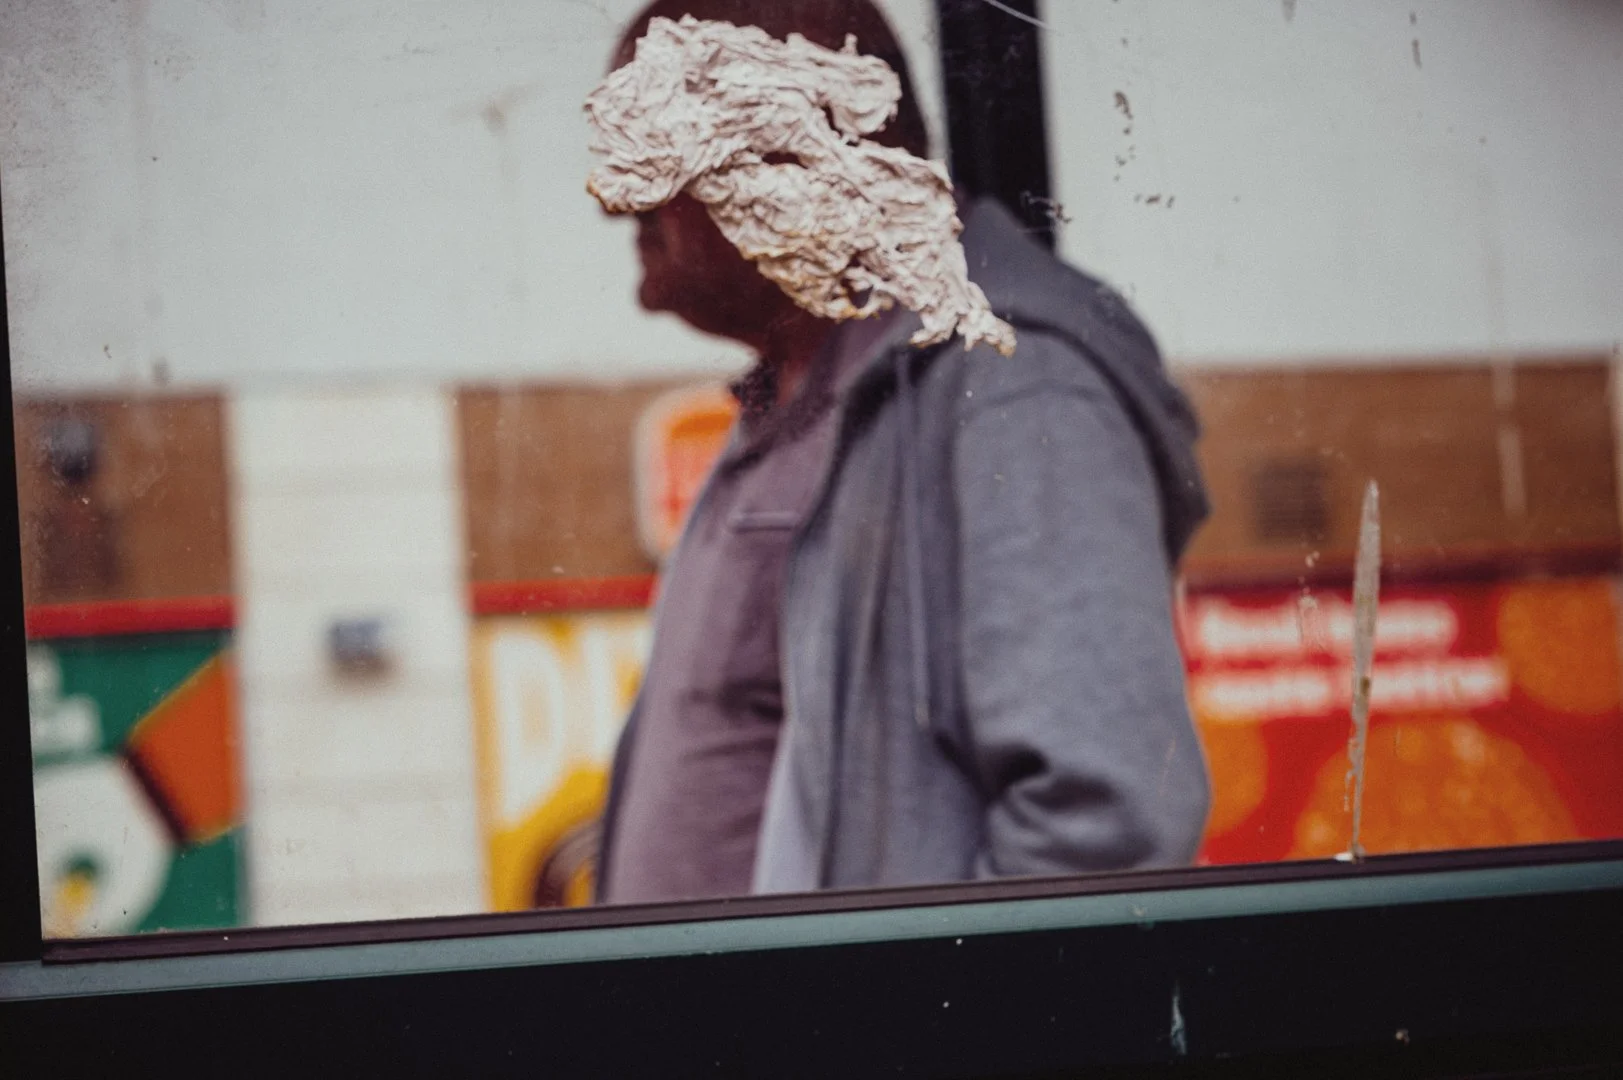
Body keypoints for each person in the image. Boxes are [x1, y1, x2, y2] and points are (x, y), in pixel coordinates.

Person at [594, 0, 1211, 904]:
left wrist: (913, 1036)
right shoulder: (809, 387)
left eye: (651, 138)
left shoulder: (1010, 381)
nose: (617, 193)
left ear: (788, 153)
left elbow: (1102, 828)